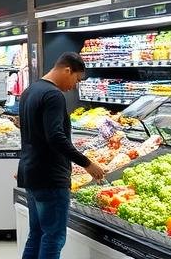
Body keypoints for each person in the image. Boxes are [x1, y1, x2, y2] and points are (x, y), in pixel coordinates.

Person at [17, 52, 107, 259]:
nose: (75, 85)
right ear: (67, 70)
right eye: (77, 79)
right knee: (54, 237)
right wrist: (87, 163)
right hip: (50, 177)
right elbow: (55, 137)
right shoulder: (53, 95)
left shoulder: (30, 91)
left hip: (31, 172)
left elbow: (28, 134)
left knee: (37, 234)